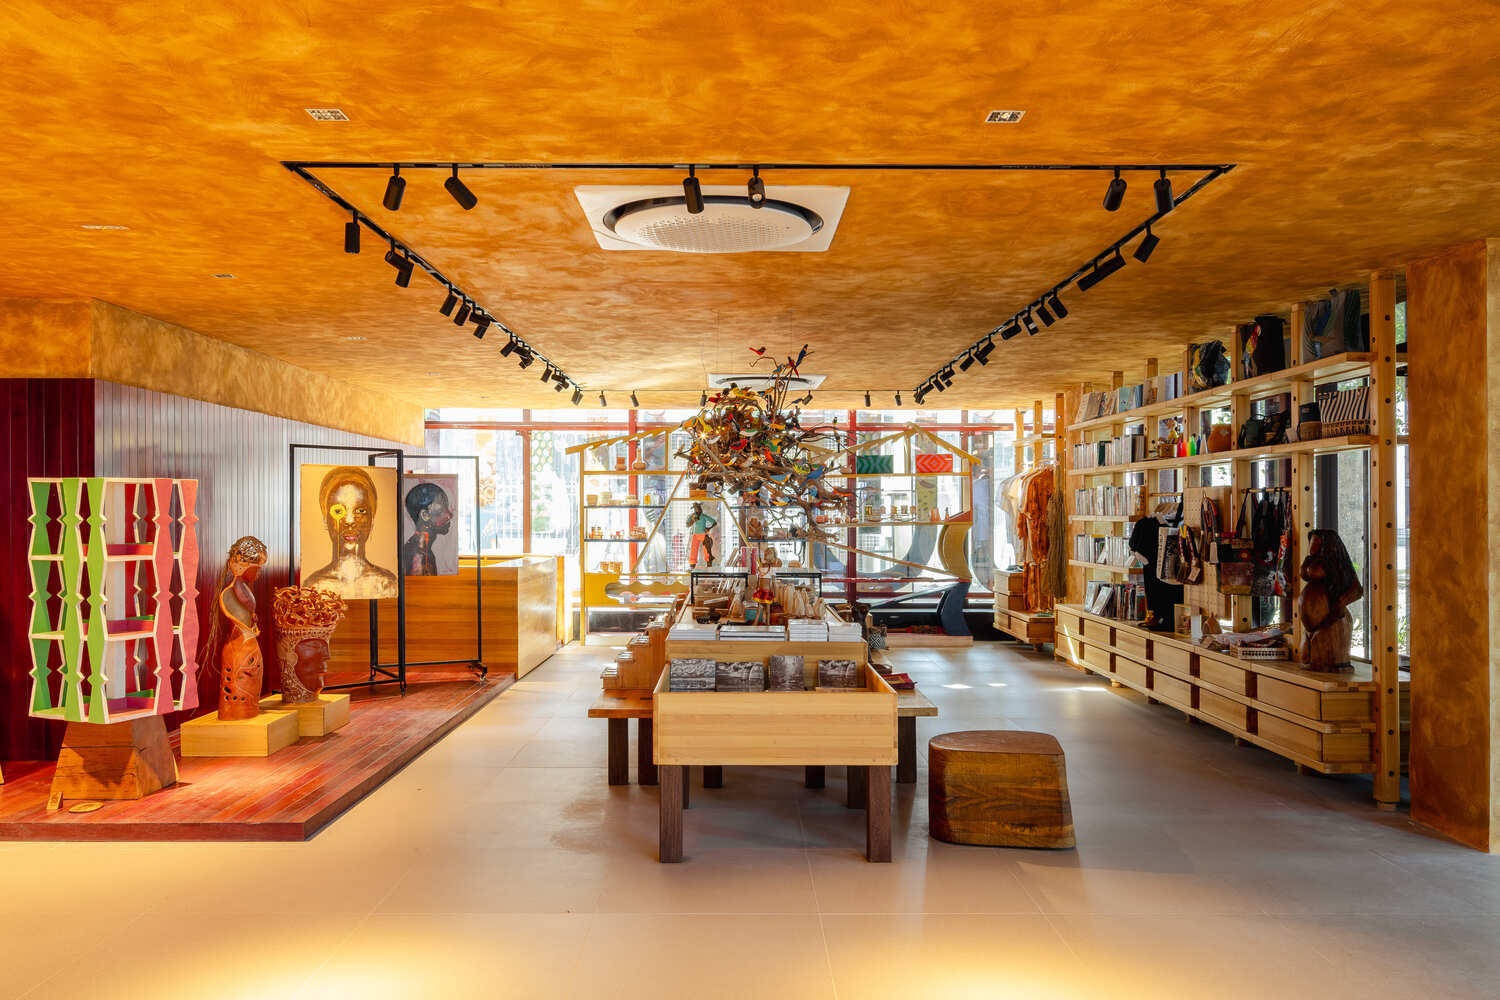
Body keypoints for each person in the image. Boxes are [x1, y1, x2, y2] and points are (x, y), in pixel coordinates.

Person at [305, 466, 399, 599]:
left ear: (372, 520)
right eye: (338, 511)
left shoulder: (387, 584)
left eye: (360, 511)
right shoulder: (314, 586)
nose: (350, 521)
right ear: (326, 520)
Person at [401, 481, 454, 575]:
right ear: (425, 515)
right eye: (442, 510)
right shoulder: (419, 556)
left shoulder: (422, 551)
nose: (450, 515)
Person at [686, 501, 718, 568]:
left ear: (700, 508)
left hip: (703, 534)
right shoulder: (692, 516)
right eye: (696, 508)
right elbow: (687, 525)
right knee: (693, 549)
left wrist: (708, 528)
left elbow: (714, 522)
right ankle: (692, 563)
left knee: (706, 549)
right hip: (695, 534)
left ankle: (709, 562)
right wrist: (693, 520)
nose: (697, 510)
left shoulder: (703, 516)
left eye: (698, 508)